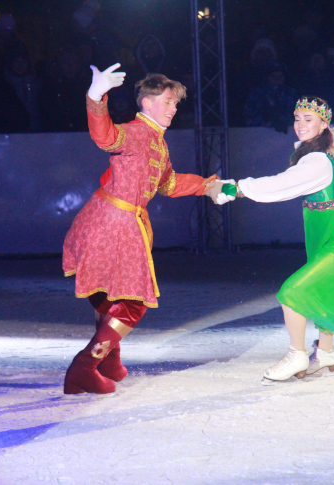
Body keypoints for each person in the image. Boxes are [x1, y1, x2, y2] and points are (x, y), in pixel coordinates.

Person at [206, 96, 334, 382]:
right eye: (297, 119)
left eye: (308, 119)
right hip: (326, 235)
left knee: (292, 293)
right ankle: (327, 352)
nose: (300, 125)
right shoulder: (317, 154)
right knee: (324, 293)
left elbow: (281, 185)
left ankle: (297, 354)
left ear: (323, 124)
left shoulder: (318, 161)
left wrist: (235, 188)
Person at [62, 64, 217, 394]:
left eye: (176, 103)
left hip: (111, 219)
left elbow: (169, 183)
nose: (174, 109)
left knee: (109, 295)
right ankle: (84, 367)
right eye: (168, 102)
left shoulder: (156, 141)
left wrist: (208, 185)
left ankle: (108, 360)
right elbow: (105, 136)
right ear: (147, 103)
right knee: (132, 303)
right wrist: (95, 95)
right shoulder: (136, 132)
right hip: (114, 223)